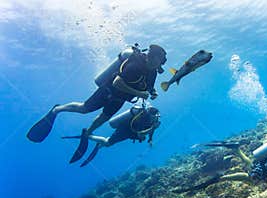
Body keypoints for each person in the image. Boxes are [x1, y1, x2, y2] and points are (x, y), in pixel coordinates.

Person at [27, 44, 167, 144]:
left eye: (160, 61)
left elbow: (148, 86)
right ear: (150, 57)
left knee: (104, 118)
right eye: (157, 59)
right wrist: (139, 93)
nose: (158, 63)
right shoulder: (135, 65)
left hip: (120, 99)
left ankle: (88, 132)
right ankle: (57, 109)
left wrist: (152, 92)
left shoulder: (153, 72)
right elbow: (117, 83)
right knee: (84, 109)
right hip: (108, 91)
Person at [62, 105, 161, 167]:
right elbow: (141, 133)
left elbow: (150, 130)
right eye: (154, 117)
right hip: (125, 129)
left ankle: (99, 144)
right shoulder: (143, 118)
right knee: (108, 142)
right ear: (149, 115)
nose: (155, 119)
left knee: (107, 143)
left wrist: (150, 138)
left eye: (156, 117)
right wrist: (151, 129)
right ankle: (88, 135)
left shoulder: (155, 121)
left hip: (131, 132)